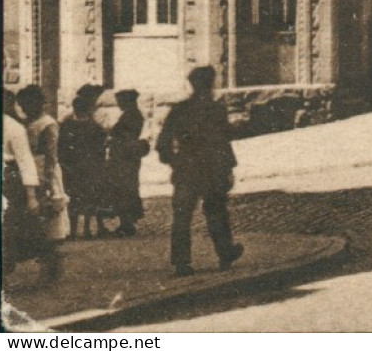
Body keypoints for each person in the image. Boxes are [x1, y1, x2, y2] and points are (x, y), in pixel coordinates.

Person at [156, 66, 244, 277]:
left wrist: (174, 162)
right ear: (210, 84)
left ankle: (181, 263)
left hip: (186, 170)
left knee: (182, 216)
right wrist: (229, 169)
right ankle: (225, 254)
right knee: (216, 212)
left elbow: (162, 144)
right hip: (212, 171)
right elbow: (223, 143)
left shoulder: (179, 110)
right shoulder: (216, 110)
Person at [4, 89, 63, 285]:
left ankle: (48, 257)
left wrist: (32, 195)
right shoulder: (20, 124)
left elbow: (27, 162)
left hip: (16, 182)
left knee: (22, 228)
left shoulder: (14, 128)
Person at [16, 85, 70, 245]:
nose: (24, 108)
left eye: (27, 104)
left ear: (37, 103)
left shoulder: (47, 124)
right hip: (29, 165)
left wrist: (47, 176)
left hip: (44, 165)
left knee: (48, 200)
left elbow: (51, 154)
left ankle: (50, 237)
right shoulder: (27, 122)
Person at [58, 84, 108, 239]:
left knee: (76, 198)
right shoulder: (93, 126)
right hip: (86, 167)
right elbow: (101, 147)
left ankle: (75, 230)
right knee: (86, 198)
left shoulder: (68, 124)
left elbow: (62, 146)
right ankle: (85, 229)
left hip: (75, 167)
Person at [105, 88, 148, 236]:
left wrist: (113, 138)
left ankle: (127, 223)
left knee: (125, 188)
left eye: (120, 101)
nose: (118, 104)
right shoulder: (132, 115)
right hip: (127, 157)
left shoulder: (132, 116)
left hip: (125, 157)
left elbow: (124, 135)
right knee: (127, 188)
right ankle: (127, 222)